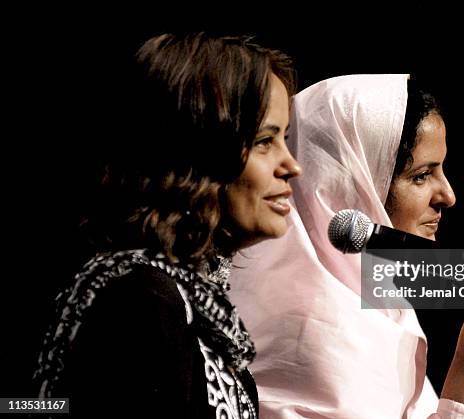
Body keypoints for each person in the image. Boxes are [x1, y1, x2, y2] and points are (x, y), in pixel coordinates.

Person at [229, 74, 464, 418]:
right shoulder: (311, 330)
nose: (448, 196)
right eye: (421, 175)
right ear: (349, 187)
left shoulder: (369, 303)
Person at [33, 33, 301, 419]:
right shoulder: (136, 298)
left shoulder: (192, 300)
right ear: (201, 151)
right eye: (264, 141)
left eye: (285, 140)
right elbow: (35, 406)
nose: (292, 166)